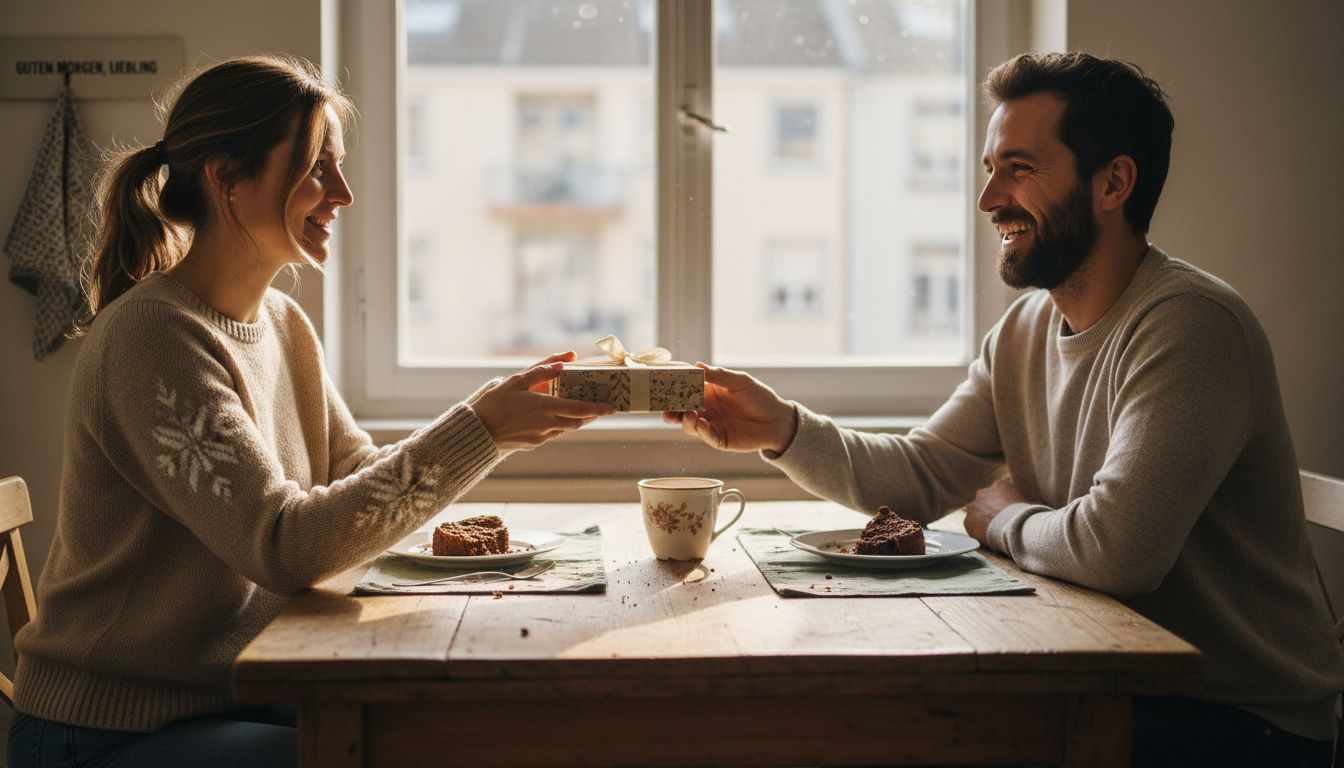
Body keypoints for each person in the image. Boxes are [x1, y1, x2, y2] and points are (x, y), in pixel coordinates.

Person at [667, 52, 1342, 767]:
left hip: (1236, 720)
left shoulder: (1191, 327)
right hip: (1103, 678)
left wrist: (1001, 518)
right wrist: (782, 429)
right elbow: (923, 476)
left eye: (1019, 168)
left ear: (1113, 183)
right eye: (990, 168)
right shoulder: (1024, 332)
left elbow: (1119, 554)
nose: (989, 199)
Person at [6, 55, 614, 768]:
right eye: (319, 168)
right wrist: (481, 429)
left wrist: (497, 426)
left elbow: (354, 470)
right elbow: (285, 545)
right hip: (110, 730)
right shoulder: (152, 338)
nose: (345, 194)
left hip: (230, 695)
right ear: (227, 177)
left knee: (450, 729)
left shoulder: (283, 323)